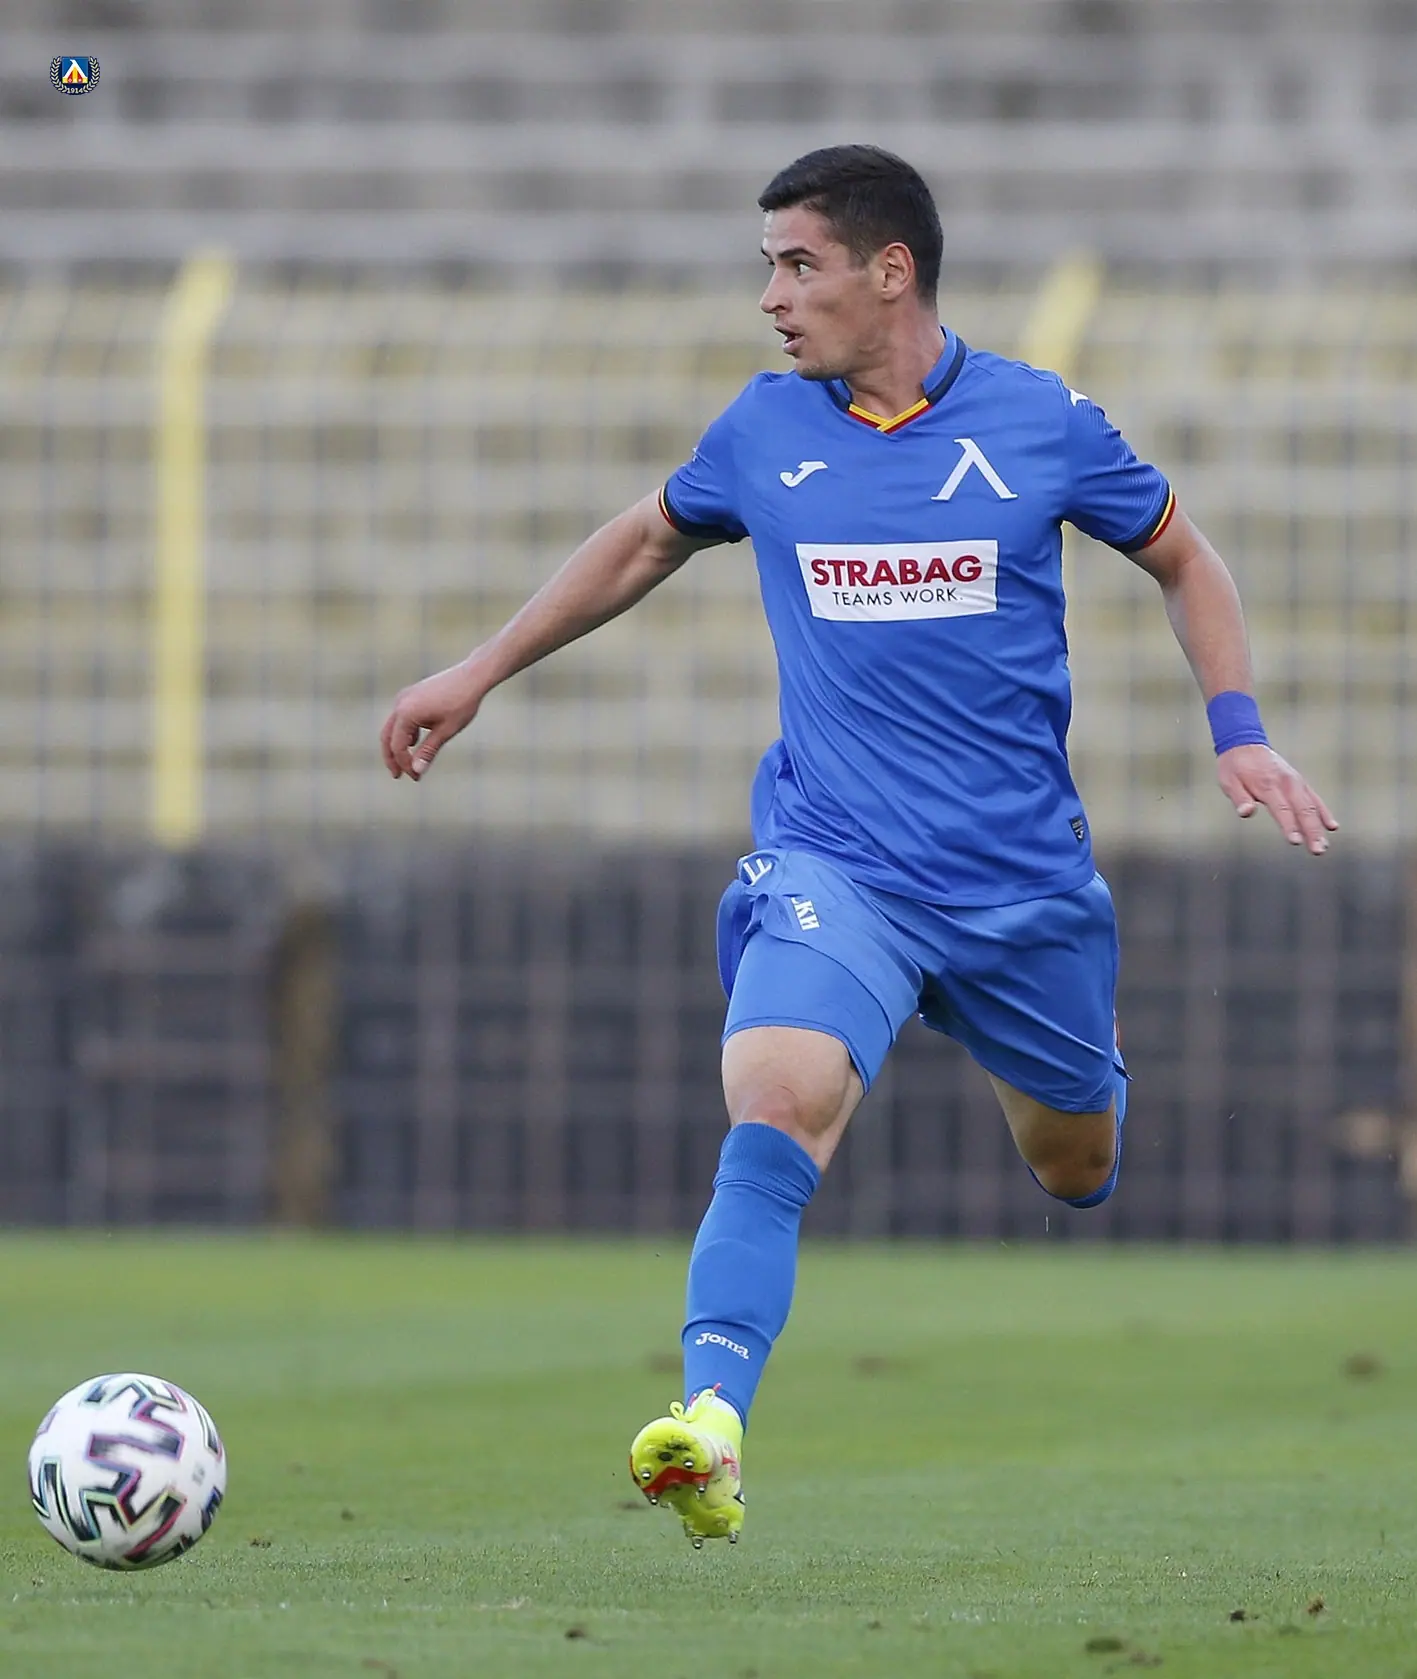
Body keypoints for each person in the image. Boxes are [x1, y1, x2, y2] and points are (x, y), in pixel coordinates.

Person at [380, 145, 1337, 1548]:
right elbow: (642, 541)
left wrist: (1239, 730)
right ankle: (710, 1426)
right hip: (842, 865)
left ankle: (1062, 1051)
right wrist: (477, 671)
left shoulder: (1040, 421)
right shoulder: (763, 430)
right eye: (767, 266)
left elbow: (1186, 558)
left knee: (1077, 1165)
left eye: (797, 264)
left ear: (891, 272)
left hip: (1021, 887)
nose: (771, 296)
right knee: (775, 1095)